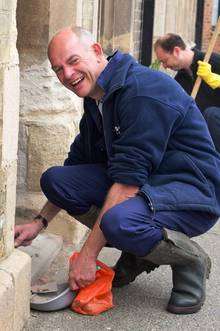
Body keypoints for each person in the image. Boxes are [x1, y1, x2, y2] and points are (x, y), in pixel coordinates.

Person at [14, 26, 220, 315]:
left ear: (97, 51)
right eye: (58, 69)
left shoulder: (142, 92)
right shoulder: (97, 98)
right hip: (148, 184)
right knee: (57, 181)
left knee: (119, 221)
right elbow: (76, 166)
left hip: (190, 191)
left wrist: (88, 255)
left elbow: (127, 185)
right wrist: (39, 222)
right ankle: (138, 250)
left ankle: (189, 259)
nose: (67, 75)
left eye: (73, 61)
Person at [154, 33, 220, 152]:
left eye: (164, 61)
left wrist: (215, 79)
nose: (164, 66)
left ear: (176, 51)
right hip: (205, 137)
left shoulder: (212, 61)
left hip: (215, 126)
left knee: (211, 115)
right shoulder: (180, 80)